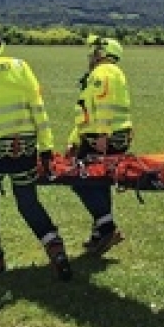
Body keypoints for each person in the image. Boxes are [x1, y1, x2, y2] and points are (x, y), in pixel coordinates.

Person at [0, 23, 72, 281]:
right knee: (28, 202)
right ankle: (56, 249)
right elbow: (38, 109)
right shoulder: (20, 66)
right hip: (26, 149)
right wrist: (46, 148)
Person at [66, 35, 132, 256]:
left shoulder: (102, 73)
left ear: (103, 53)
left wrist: (102, 135)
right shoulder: (112, 73)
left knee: (80, 179)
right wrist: (75, 139)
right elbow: (87, 113)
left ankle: (107, 228)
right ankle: (99, 233)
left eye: (95, 51)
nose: (91, 56)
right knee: (99, 182)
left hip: (103, 137)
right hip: (113, 135)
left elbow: (102, 105)